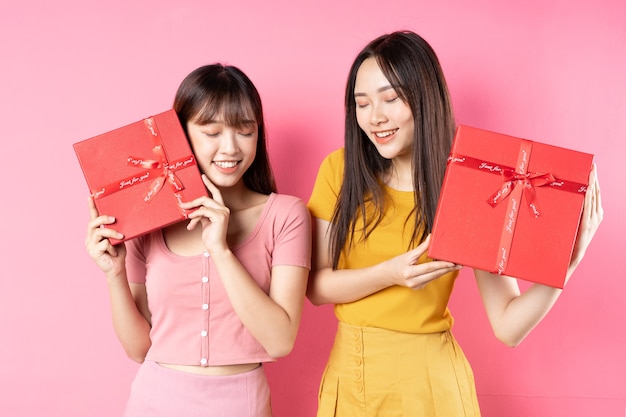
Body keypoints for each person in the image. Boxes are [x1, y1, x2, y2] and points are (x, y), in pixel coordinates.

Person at [306, 31, 603, 417]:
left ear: (425, 97)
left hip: (429, 387)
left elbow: (508, 326)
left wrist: (568, 263)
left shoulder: (469, 186)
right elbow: (315, 287)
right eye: (362, 104)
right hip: (350, 378)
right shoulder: (340, 170)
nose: (374, 117)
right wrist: (390, 274)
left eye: (390, 99)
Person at [85, 64, 311, 417]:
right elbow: (138, 349)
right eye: (211, 131)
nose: (230, 147)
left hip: (241, 404)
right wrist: (114, 275)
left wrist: (220, 249)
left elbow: (280, 341)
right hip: (154, 401)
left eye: (245, 131)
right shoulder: (147, 222)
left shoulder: (286, 215)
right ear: (181, 134)